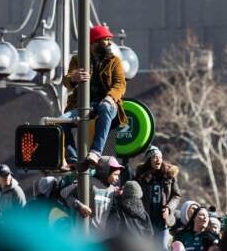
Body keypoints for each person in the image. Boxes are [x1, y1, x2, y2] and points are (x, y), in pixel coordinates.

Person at [62, 25, 127, 164]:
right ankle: (73, 158)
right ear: (95, 42)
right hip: (83, 106)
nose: (110, 43)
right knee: (60, 122)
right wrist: (73, 78)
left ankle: (95, 152)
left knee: (104, 107)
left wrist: (110, 98)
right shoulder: (77, 59)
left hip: (107, 105)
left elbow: (120, 84)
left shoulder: (114, 61)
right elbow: (66, 81)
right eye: (106, 39)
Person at [61, 156, 123, 238]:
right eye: (115, 174)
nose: (117, 178)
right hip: (81, 235)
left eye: (118, 175)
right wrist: (79, 206)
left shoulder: (112, 189)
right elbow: (64, 193)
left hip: (99, 237)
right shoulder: (88, 182)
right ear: (105, 171)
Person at [135, 145, 181, 250]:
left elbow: (176, 195)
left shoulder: (169, 175)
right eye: (154, 157)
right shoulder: (140, 176)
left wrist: (169, 208)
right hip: (146, 220)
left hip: (162, 221)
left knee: (163, 247)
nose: (158, 160)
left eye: (160, 157)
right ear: (149, 160)